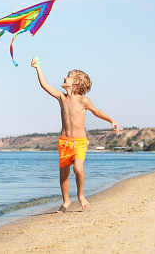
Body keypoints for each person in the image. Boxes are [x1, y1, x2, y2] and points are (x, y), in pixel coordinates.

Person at [31, 57, 120, 213]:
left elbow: (96, 111)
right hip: (64, 142)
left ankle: (80, 195)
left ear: (76, 82)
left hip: (79, 142)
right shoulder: (61, 97)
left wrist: (111, 120)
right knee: (64, 173)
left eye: (68, 76)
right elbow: (44, 85)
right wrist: (38, 67)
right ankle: (66, 201)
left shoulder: (83, 100)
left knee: (78, 169)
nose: (65, 77)